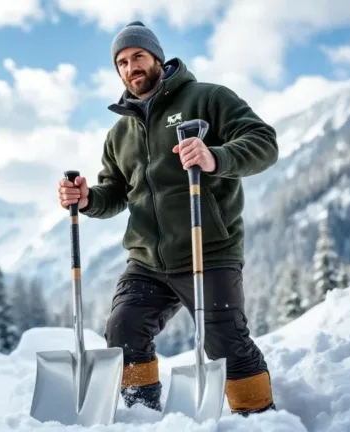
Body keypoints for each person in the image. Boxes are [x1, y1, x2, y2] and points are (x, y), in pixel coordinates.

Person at [57, 21, 278, 416]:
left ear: (157, 58)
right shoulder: (119, 133)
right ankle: (142, 413)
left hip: (208, 248)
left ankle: (258, 416)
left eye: (138, 56)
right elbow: (116, 193)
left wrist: (216, 157)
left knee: (224, 340)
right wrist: (88, 199)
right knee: (123, 330)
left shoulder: (208, 99)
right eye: (121, 62)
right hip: (147, 261)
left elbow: (263, 142)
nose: (130, 67)